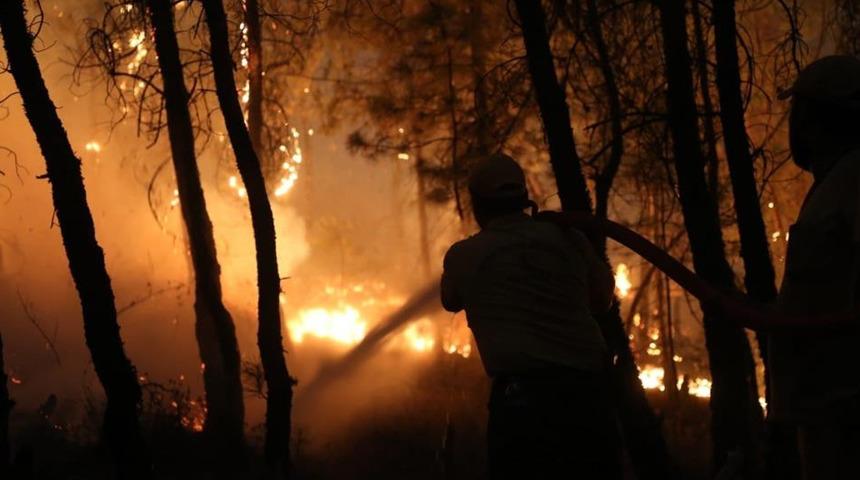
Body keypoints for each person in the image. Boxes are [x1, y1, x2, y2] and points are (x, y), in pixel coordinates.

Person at [440, 153, 622, 479]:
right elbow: (603, 300)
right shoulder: (570, 239)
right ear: (525, 198)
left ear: (477, 205)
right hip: (588, 399)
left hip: (522, 406)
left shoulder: (464, 256)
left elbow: (450, 300)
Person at [771, 55, 860, 479]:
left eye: (800, 112)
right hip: (827, 403)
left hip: (846, 408)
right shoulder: (834, 183)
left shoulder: (854, 180)